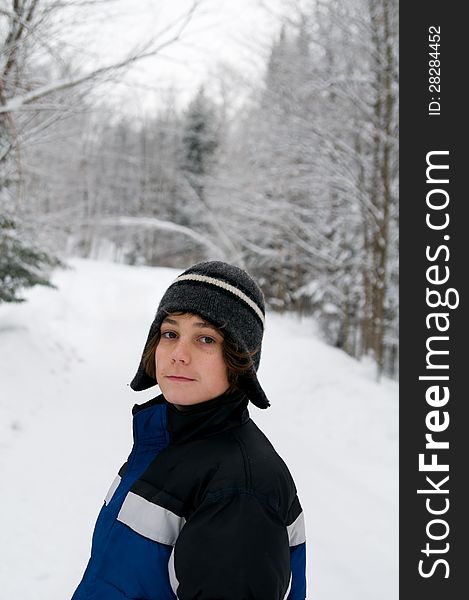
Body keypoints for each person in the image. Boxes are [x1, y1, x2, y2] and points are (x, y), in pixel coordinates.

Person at [71, 260, 307, 600]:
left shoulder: (241, 489)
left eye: (205, 338)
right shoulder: (166, 440)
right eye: (170, 333)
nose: (179, 354)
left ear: (240, 357)